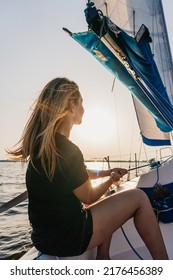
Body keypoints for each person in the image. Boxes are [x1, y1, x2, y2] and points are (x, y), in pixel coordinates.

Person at [8, 77, 168, 260]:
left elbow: (76, 176)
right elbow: (89, 197)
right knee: (138, 197)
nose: (84, 108)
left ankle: (103, 257)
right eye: (81, 103)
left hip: (43, 239)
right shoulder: (68, 150)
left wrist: (107, 172)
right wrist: (111, 181)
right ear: (71, 105)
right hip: (69, 238)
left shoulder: (44, 147)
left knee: (107, 201)